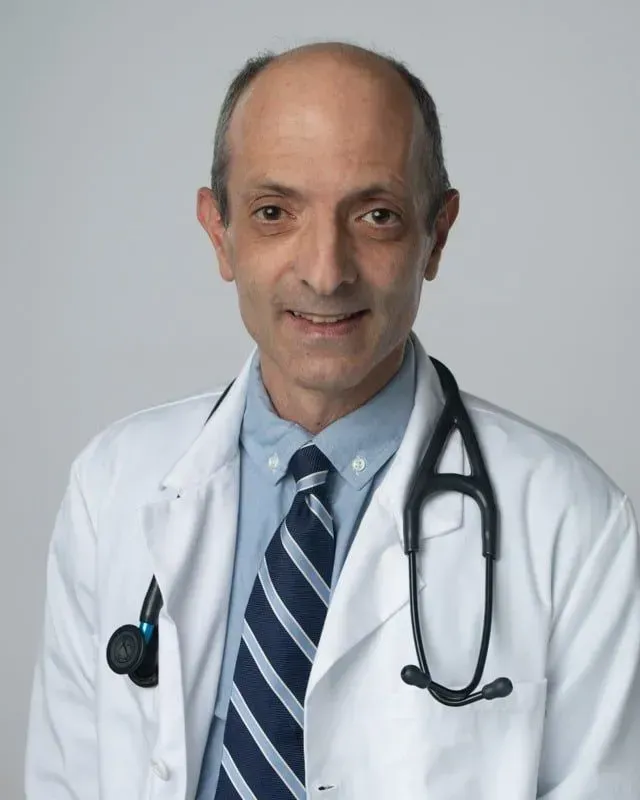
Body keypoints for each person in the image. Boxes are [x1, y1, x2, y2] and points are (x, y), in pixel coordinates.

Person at [25, 40, 640, 799]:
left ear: (436, 234)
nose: (325, 270)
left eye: (376, 215)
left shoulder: (573, 525)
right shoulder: (110, 487)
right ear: (219, 231)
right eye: (275, 213)